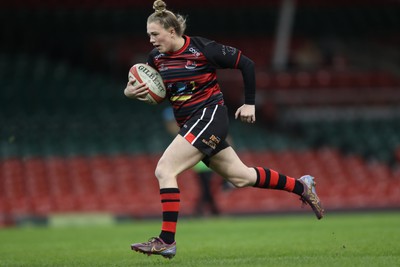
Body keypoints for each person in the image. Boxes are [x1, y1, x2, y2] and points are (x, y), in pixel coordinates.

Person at [124, 0, 324, 259]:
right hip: (190, 123)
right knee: (241, 177)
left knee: (164, 169)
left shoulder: (203, 49)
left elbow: (247, 64)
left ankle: (166, 240)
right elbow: (164, 93)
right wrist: (130, 92)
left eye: (155, 34)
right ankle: (302, 186)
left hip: (210, 116)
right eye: (148, 35)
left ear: (172, 31)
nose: (150, 40)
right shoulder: (156, 59)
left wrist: (249, 104)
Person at [163, 107, 220, 216]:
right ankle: (210, 211)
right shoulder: (192, 128)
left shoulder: (188, 129)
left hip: (202, 164)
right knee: (206, 188)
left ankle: (205, 210)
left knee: (206, 189)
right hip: (201, 165)